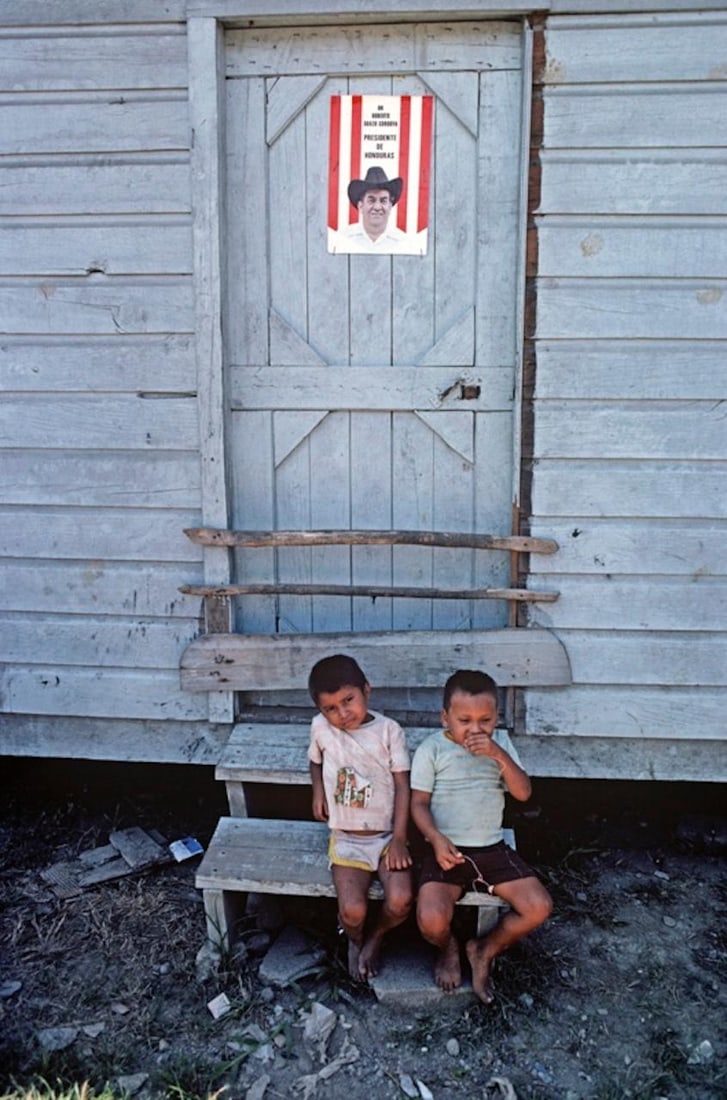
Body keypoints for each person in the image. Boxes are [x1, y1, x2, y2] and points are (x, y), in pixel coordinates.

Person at [410, 669, 552, 1004]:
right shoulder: (431, 749)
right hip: (447, 850)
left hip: (492, 849)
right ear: (446, 718)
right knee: (431, 919)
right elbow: (418, 804)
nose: (475, 729)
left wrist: (497, 755)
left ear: (496, 718)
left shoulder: (500, 744)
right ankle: (449, 947)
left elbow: (523, 793)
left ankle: (483, 949)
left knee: (539, 907)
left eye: (485, 720)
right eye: (464, 720)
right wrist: (434, 837)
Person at [308, 653, 413, 981]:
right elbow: (315, 761)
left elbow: (403, 786)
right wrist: (318, 791)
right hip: (346, 837)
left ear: (367, 690)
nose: (342, 714)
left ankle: (376, 938)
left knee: (401, 900)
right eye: (330, 708)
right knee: (352, 911)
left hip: (385, 837)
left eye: (349, 700)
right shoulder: (321, 728)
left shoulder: (389, 731)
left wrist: (398, 839)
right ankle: (355, 939)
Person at [339, 166, 411, 253]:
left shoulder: (403, 242)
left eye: (383, 201)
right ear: (360, 206)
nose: (377, 207)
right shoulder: (344, 239)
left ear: (390, 206)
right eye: (371, 200)